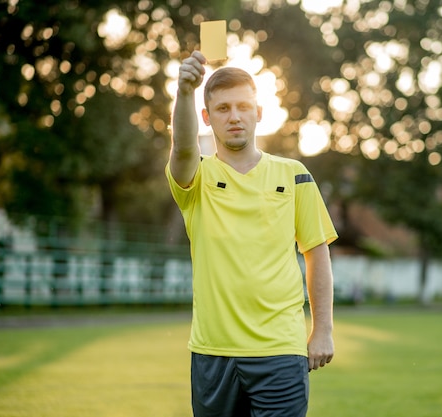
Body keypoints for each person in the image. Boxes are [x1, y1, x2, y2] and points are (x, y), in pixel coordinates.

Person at [166, 50, 338, 417]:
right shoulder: (197, 179)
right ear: (206, 117)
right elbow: (182, 148)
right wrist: (184, 90)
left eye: (243, 106)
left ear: (259, 112)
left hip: (281, 349)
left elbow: (316, 253)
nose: (235, 117)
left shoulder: (295, 174)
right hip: (213, 352)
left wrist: (322, 329)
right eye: (223, 108)